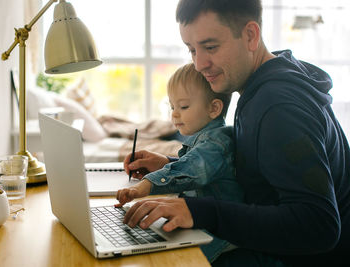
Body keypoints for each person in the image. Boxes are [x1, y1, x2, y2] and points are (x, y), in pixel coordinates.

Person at [121, 0, 350, 266]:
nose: (199, 64)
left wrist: (198, 211)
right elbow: (261, 178)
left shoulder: (279, 108)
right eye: (192, 50)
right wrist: (171, 167)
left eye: (210, 47)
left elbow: (318, 226)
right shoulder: (262, 85)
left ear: (250, 35)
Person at [116, 63, 243, 262]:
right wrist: (164, 162)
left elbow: (190, 168)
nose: (174, 114)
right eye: (172, 106)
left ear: (214, 108)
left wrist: (142, 188)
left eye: (183, 106)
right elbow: (191, 162)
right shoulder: (204, 138)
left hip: (220, 232)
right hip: (202, 219)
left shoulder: (216, 143)